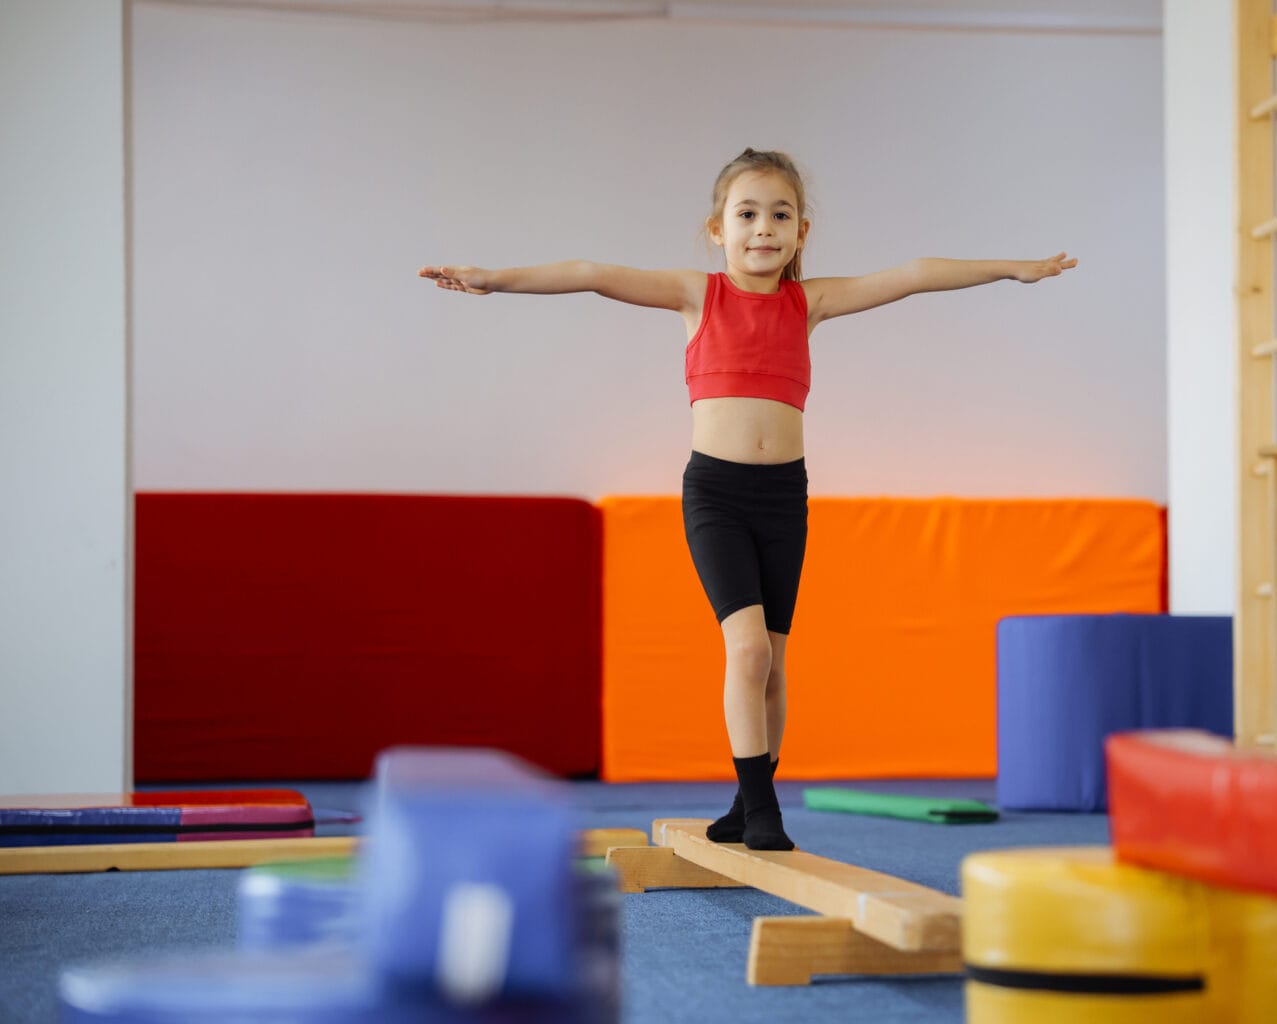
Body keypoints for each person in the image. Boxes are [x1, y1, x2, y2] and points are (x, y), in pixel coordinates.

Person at [420, 147, 1076, 850]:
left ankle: (744, 799)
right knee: (748, 650)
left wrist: (1012, 268)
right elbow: (590, 274)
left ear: (802, 232)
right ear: (717, 228)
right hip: (717, 494)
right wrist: (493, 279)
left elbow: (911, 276)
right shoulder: (697, 295)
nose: (763, 229)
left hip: (783, 498)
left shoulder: (809, 301)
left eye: (780, 215)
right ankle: (765, 809)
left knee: (775, 659)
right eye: (747, 214)